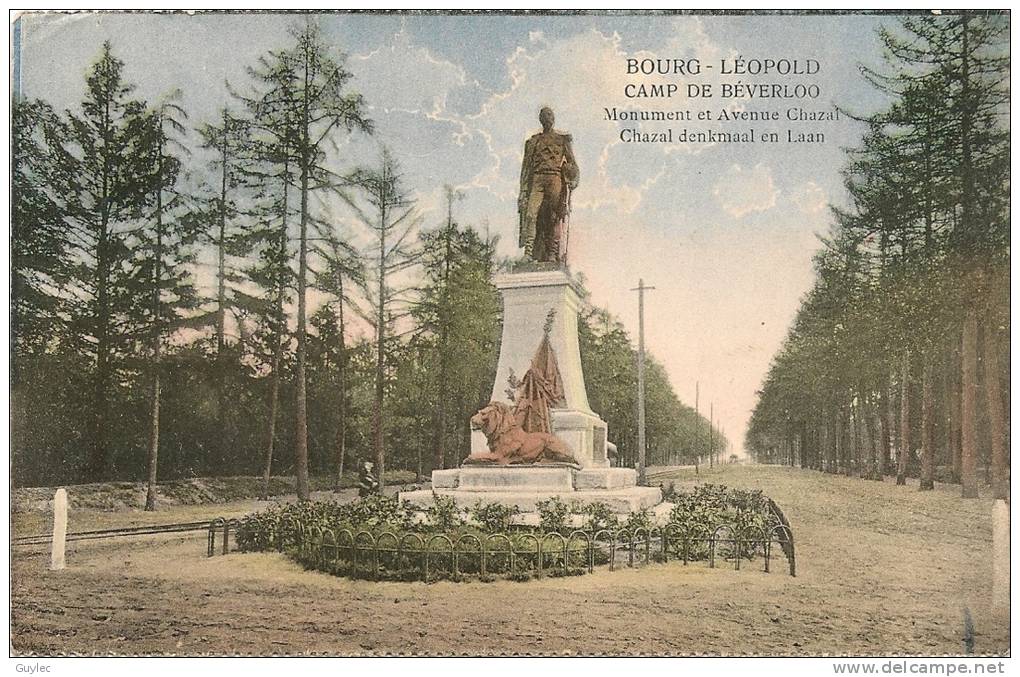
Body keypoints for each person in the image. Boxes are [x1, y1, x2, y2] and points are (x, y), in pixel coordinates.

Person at [518, 107, 580, 263]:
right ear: (540, 119)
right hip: (537, 179)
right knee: (531, 215)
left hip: (555, 178)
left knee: (554, 217)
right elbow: (526, 168)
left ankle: (552, 253)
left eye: (550, 115)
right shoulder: (533, 141)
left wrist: (571, 177)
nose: (548, 117)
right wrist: (523, 190)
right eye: (544, 115)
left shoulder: (561, 140)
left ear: (554, 119)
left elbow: (573, 163)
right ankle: (529, 252)